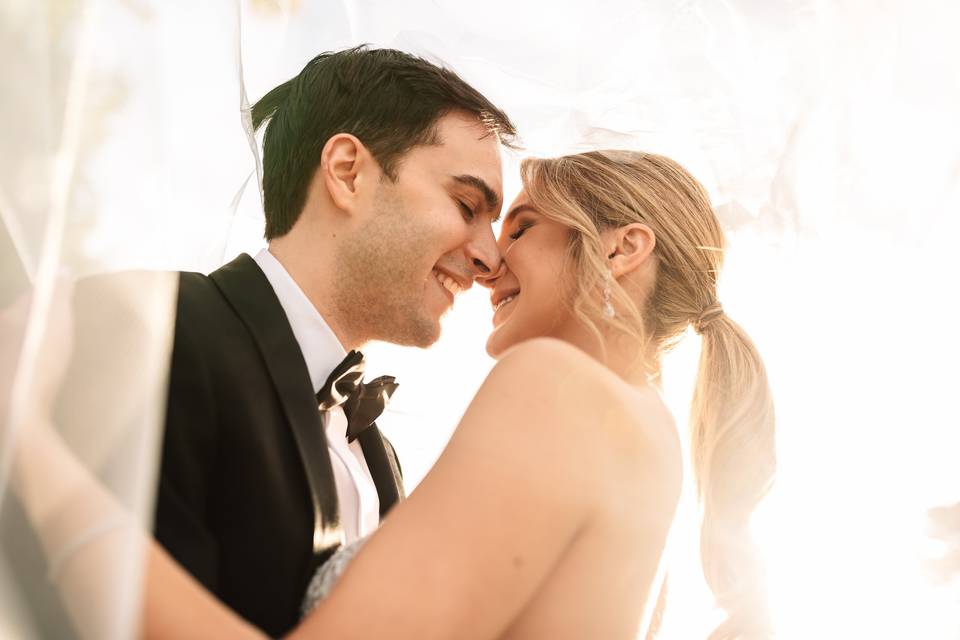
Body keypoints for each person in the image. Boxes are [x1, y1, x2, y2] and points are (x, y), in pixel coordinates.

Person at [7, 149, 776, 639]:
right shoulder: (655, 444)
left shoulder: (560, 389)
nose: (488, 260)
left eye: (523, 225)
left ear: (621, 245)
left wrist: (32, 446)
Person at [153, 45, 516, 636]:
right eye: (466, 204)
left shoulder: (378, 455)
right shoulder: (163, 327)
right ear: (348, 172)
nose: (489, 257)